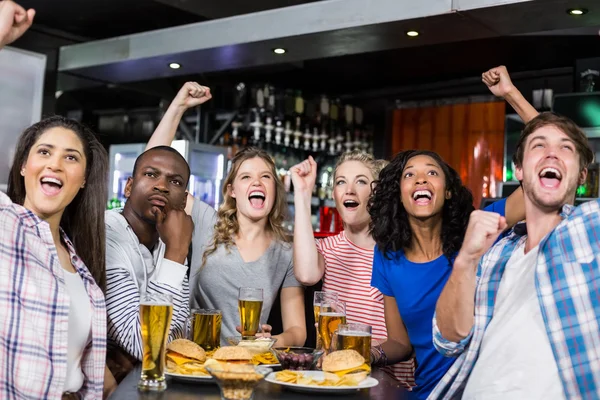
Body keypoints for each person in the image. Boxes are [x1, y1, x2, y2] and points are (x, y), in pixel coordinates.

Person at [432, 111, 598, 399]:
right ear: (519, 170)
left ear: (581, 174)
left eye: (565, 148)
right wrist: (466, 261)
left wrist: (509, 93)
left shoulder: (591, 229)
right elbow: (448, 340)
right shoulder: (495, 254)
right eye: (539, 146)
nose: (552, 155)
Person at [146, 83, 307, 346]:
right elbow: (152, 168)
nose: (257, 182)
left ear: (275, 190)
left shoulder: (287, 251)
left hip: (247, 365)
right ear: (232, 190)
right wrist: (177, 107)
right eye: (246, 177)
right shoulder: (205, 221)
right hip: (194, 361)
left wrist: (269, 341)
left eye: (265, 177)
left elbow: (297, 331)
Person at [368, 148, 527, 400]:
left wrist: (520, 108)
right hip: (429, 392)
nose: (421, 179)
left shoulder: (477, 233)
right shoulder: (388, 255)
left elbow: (536, 186)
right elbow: (400, 342)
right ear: (399, 195)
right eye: (409, 175)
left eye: (432, 172)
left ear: (449, 191)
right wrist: (369, 354)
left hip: (484, 391)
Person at [0, 116, 111, 399]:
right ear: (24, 166)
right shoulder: (6, 225)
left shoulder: (80, 262)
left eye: (71, 157)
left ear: (84, 179)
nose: (55, 164)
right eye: (44, 152)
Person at [291, 151, 416, 388]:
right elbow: (306, 275)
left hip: (387, 383)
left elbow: (402, 343)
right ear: (335, 195)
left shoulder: (399, 252)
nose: (349, 189)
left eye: (360, 181)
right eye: (341, 182)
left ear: (376, 192)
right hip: (336, 382)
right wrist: (303, 192)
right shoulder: (327, 249)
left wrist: (363, 351)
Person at [104, 146, 197, 380]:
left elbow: (176, 336)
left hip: (147, 381)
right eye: (151, 174)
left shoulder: (170, 241)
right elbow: (148, 346)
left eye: (175, 182)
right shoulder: (105, 234)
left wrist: (175, 250)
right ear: (128, 186)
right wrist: (177, 253)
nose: (162, 186)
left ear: (184, 201)